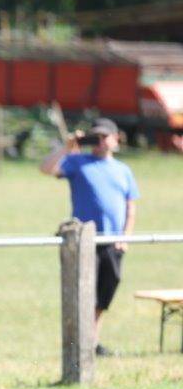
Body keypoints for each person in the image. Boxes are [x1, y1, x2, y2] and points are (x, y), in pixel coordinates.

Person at [40, 117, 140, 356]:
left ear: (116, 139)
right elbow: (46, 169)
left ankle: (92, 341)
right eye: (96, 137)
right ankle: (80, 343)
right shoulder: (77, 161)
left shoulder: (123, 170)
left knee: (104, 294)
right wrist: (66, 147)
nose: (100, 141)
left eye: (105, 137)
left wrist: (125, 237)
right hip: (84, 240)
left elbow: (131, 207)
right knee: (83, 292)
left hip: (113, 242)